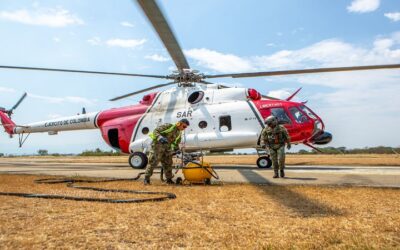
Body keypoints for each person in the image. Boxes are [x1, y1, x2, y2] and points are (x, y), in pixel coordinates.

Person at [144, 119, 190, 185]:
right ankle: (146, 179)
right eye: (184, 126)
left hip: (167, 150)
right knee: (153, 163)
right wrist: (160, 138)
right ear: (179, 123)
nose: (184, 128)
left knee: (168, 164)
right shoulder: (168, 126)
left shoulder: (178, 133)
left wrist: (177, 150)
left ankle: (169, 180)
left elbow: (175, 143)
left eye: (185, 127)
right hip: (157, 148)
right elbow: (156, 131)